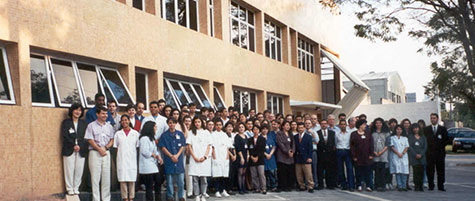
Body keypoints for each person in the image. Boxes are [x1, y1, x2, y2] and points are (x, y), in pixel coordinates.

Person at [84, 106, 115, 201]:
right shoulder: (91, 125)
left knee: (106, 178)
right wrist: (98, 149)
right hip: (94, 153)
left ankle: (106, 199)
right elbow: (90, 139)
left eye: (106, 114)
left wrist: (105, 148)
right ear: (97, 114)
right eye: (103, 113)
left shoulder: (109, 126)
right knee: (95, 178)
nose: (105, 115)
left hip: (106, 153)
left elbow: (112, 140)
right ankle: (96, 199)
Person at [61, 103, 87, 195]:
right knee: (69, 169)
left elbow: (86, 137)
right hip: (69, 149)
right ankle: (69, 188)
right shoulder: (66, 122)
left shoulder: (84, 123)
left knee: (79, 169)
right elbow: (65, 135)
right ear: (72, 111)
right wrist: (74, 145)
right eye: (76, 110)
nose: (78, 112)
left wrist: (79, 145)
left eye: (80, 110)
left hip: (81, 149)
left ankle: (76, 187)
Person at [159, 118, 187, 201]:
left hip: (178, 160)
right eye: (170, 123)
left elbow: (183, 146)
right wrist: (171, 156)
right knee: (169, 180)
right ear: (168, 124)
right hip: (169, 160)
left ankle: (181, 196)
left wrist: (177, 155)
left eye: (173, 123)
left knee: (181, 181)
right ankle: (170, 196)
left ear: (176, 124)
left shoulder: (180, 134)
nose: (172, 124)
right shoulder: (164, 135)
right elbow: (163, 147)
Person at [113, 115, 140, 201]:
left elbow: (137, 146)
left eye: (126, 120)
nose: (124, 122)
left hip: (132, 159)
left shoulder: (135, 133)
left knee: (131, 179)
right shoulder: (118, 134)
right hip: (122, 159)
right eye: (122, 120)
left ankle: (131, 198)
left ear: (129, 121)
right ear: (120, 122)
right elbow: (115, 147)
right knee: (122, 179)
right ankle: (125, 198)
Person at [187, 117, 212, 201]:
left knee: (204, 178)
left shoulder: (206, 132)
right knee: (195, 178)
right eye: (196, 122)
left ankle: (203, 194)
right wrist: (194, 157)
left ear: (202, 123)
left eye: (199, 122)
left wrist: (205, 156)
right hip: (194, 158)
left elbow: (209, 145)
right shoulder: (191, 132)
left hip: (204, 159)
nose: (197, 123)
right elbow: (189, 146)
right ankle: (197, 195)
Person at [423, 113, 449, 191]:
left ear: (437, 119)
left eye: (434, 118)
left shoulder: (443, 129)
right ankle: (431, 186)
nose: (432, 119)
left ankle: (441, 186)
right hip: (429, 154)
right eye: (431, 118)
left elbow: (447, 140)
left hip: (440, 153)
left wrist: (440, 146)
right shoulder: (426, 129)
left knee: (440, 170)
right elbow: (424, 140)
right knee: (430, 170)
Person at [139, 121, 164, 201]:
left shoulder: (152, 139)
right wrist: (152, 154)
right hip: (146, 166)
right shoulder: (144, 139)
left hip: (153, 165)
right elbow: (144, 151)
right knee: (149, 187)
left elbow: (155, 150)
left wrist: (158, 156)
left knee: (158, 183)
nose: (156, 129)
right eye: (155, 127)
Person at [350, 119, 374, 192]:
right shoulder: (354, 134)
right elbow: (352, 146)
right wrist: (354, 156)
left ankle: (368, 185)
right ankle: (359, 185)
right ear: (360, 125)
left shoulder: (368, 133)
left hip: (367, 156)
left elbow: (371, 144)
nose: (365, 126)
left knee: (368, 171)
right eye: (364, 124)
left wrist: (371, 154)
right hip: (358, 157)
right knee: (358, 171)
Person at [211, 119, 232, 197]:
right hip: (217, 156)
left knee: (224, 174)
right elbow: (212, 147)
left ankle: (223, 190)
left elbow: (227, 147)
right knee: (217, 174)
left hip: (224, 157)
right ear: (215, 126)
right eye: (217, 125)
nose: (218, 126)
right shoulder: (213, 134)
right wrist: (214, 157)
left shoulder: (224, 135)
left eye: (220, 125)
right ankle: (217, 190)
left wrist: (227, 157)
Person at [370, 118, 390, 192]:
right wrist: (374, 152)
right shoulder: (372, 133)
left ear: (382, 124)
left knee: (383, 171)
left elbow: (387, 144)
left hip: (383, 154)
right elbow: (370, 143)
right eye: (377, 123)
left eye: (380, 123)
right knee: (376, 171)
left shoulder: (386, 133)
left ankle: (382, 185)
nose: (378, 124)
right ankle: (377, 185)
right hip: (375, 154)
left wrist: (381, 152)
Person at [316, 119, 337, 190]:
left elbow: (334, 143)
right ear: (320, 125)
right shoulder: (317, 133)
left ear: (327, 124)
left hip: (330, 155)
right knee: (320, 171)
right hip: (321, 154)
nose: (324, 125)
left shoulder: (332, 133)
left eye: (325, 123)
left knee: (329, 170)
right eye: (322, 123)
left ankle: (330, 185)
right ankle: (320, 185)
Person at [294, 122, 314, 193]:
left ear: (304, 128)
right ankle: (302, 186)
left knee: (308, 173)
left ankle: (310, 186)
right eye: (299, 128)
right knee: (298, 173)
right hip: (298, 158)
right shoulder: (295, 137)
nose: (300, 129)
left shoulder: (308, 137)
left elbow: (310, 148)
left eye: (302, 128)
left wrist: (310, 157)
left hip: (306, 157)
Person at [275, 121, 295, 192]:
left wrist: (292, 151)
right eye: (286, 125)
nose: (288, 126)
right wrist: (287, 151)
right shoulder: (279, 133)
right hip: (282, 155)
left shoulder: (290, 134)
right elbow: (280, 144)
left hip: (290, 156)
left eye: (289, 125)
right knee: (282, 172)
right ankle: (283, 186)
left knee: (289, 172)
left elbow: (293, 144)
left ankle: (289, 186)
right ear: (283, 126)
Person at [335, 119, 354, 191]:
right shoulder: (337, 133)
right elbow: (335, 142)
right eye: (341, 124)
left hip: (347, 151)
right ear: (339, 125)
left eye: (344, 124)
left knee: (349, 168)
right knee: (340, 169)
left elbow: (351, 143)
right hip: (339, 151)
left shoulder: (350, 133)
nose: (343, 126)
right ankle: (344, 185)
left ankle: (351, 185)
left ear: (346, 125)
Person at [247, 125, 267, 194]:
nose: (255, 131)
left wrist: (257, 157)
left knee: (261, 174)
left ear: (259, 131)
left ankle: (263, 188)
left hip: (260, 158)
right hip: (252, 159)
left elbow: (262, 149)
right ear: (252, 131)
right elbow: (249, 150)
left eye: (257, 129)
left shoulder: (262, 139)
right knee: (254, 174)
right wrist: (252, 157)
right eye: (254, 129)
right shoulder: (249, 140)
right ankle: (257, 188)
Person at [390, 125, 410, 191]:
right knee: (397, 171)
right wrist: (398, 153)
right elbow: (392, 147)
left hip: (403, 156)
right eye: (397, 129)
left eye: (400, 129)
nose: (399, 131)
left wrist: (402, 153)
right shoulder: (392, 138)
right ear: (395, 130)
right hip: (396, 155)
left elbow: (406, 146)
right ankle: (399, 186)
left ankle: (404, 186)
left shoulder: (405, 138)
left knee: (404, 171)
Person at [408, 123, 427, 192]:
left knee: (421, 172)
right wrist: (415, 154)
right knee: (415, 172)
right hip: (414, 157)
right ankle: (416, 186)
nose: (416, 129)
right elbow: (410, 147)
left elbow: (425, 147)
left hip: (422, 157)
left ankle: (421, 186)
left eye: (417, 128)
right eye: (414, 128)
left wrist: (421, 154)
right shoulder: (410, 137)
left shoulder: (423, 137)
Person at [261, 125, 278, 192]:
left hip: (271, 157)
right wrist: (266, 154)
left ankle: (273, 186)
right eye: (263, 129)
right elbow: (260, 148)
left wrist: (270, 154)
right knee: (265, 173)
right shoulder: (260, 138)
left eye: (266, 129)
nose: (265, 130)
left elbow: (274, 146)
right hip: (263, 157)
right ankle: (266, 186)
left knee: (272, 172)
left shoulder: (270, 137)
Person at [234, 122, 249, 194]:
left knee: (244, 173)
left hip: (246, 155)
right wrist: (242, 157)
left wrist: (248, 155)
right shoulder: (237, 137)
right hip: (240, 156)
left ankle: (244, 188)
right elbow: (238, 148)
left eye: (242, 127)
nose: (241, 128)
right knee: (240, 172)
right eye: (240, 127)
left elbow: (247, 147)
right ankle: (240, 188)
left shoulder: (245, 136)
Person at [223, 122, 237, 195]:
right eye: (228, 127)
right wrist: (231, 155)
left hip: (233, 152)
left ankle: (230, 188)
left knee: (232, 172)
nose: (230, 128)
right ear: (225, 128)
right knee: (227, 172)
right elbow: (226, 147)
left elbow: (234, 146)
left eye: (231, 127)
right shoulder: (224, 135)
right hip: (227, 154)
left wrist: (235, 155)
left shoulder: (233, 135)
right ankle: (226, 188)